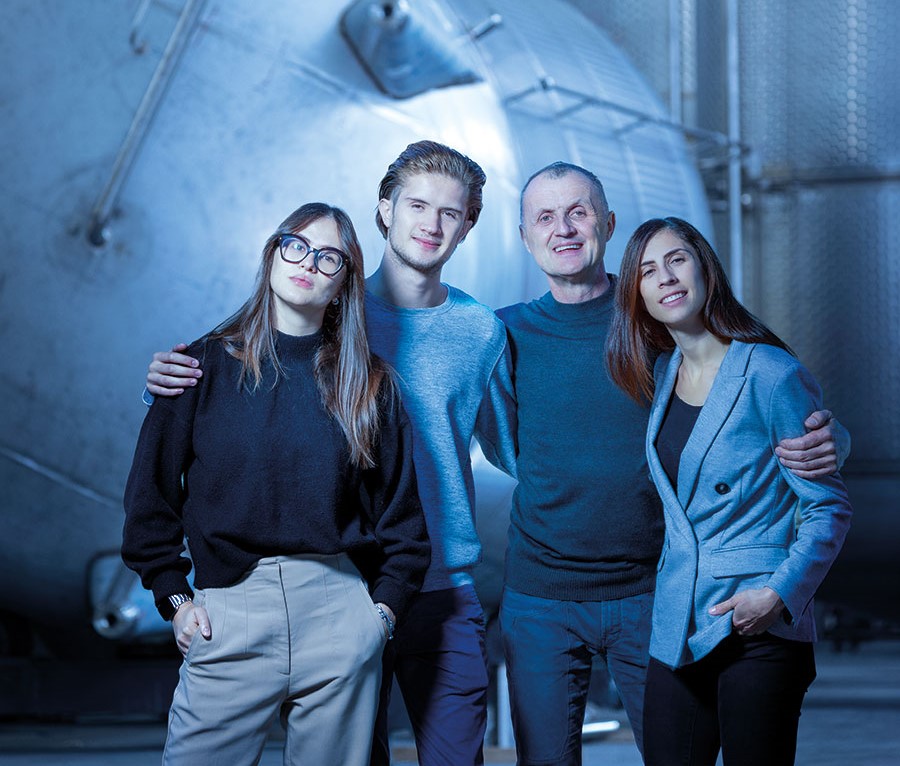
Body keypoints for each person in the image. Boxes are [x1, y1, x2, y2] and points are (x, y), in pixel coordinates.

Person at [142, 142, 517, 766]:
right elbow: (240, 395)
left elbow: (517, 447)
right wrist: (168, 383)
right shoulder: (323, 304)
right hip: (346, 584)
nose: (430, 223)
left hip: (440, 584)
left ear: (469, 225)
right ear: (384, 210)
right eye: (416, 204)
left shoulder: (481, 331)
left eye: (449, 212)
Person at [496, 162, 849, 765]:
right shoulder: (504, 335)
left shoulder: (656, 323)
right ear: (525, 236)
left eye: (578, 212)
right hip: (542, 591)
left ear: (607, 224)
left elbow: (757, 388)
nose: (564, 229)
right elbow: (490, 437)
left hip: (655, 588)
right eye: (545, 218)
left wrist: (834, 436)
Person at [121, 202, 431, 766]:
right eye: (296, 245)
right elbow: (150, 503)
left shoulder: (370, 387)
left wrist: (379, 617)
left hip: (339, 615)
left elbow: (404, 524)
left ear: (343, 285)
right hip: (229, 614)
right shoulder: (198, 368)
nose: (308, 263)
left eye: (329, 257)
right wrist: (177, 599)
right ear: (273, 253)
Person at [605, 216, 852, 766]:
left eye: (677, 260)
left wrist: (779, 595)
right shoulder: (661, 373)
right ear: (637, 294)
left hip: (757, 621)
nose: (665, 277)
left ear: (704, 267)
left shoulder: (769, 372)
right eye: (647, 271)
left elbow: (827, 508)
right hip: (677, 623)